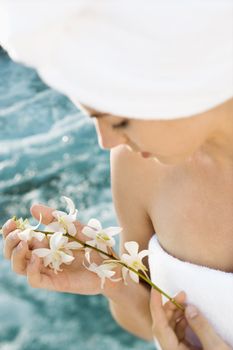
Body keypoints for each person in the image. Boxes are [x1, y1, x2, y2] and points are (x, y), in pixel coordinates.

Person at [0, 1, 233, 348]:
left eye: (119, 121)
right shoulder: (138, 163)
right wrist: (113, 282)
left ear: (184, 84)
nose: (106, 141)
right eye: (94, 117)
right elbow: (153, 323)